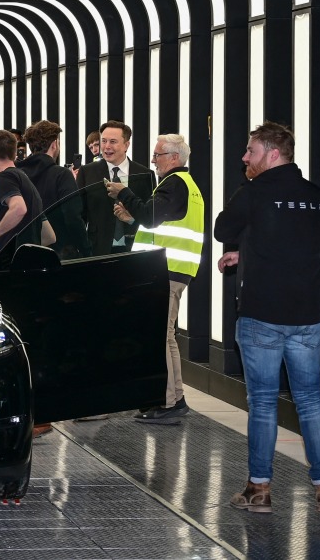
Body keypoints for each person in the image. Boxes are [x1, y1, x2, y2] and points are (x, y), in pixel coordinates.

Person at [214, 121, 320, 513]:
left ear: (271, 153)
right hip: (308, 315)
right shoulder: (316, 196)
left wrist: (241, 249)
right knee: (311, 401)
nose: (244, 158)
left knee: (264, 403)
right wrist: (248, 252)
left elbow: (223, 229)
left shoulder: (253, 192)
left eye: (250, 152)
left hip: (262, 314)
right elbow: (302, 245)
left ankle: (260, 489)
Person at [107, 133, 204, 425]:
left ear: (174, 158)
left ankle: (170, 402)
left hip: (167, 270)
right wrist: (131, 219)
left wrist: (124, 192)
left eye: (158, 155)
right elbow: (158, 222)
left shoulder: (174, 184)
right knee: (166, 336)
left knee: (163, 337)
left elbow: (151, 216)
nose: (153, 160)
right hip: (172, 269)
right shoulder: (186, 185)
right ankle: (173, 397)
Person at [78, 121, 155, 256]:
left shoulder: (145, 175)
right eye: (104, 141)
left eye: (113, 142)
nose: (107, 147)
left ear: (126, 145)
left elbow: (150, 215)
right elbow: (80, 214)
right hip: (96, 251)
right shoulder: (87, 172)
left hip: (136, 251)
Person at [0, 130, 53, 257]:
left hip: (9, 265)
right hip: (29, 262)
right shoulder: (25, 180)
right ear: (14, 153)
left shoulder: (4, 177)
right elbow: (49, 236)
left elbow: (19, 209)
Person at [18, 120, 90, 256]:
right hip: (59, 254)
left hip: (24, 252)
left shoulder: (17, 174)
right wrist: (86, 250)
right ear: (54, 144)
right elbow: (73, 217)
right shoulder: (62, 174)